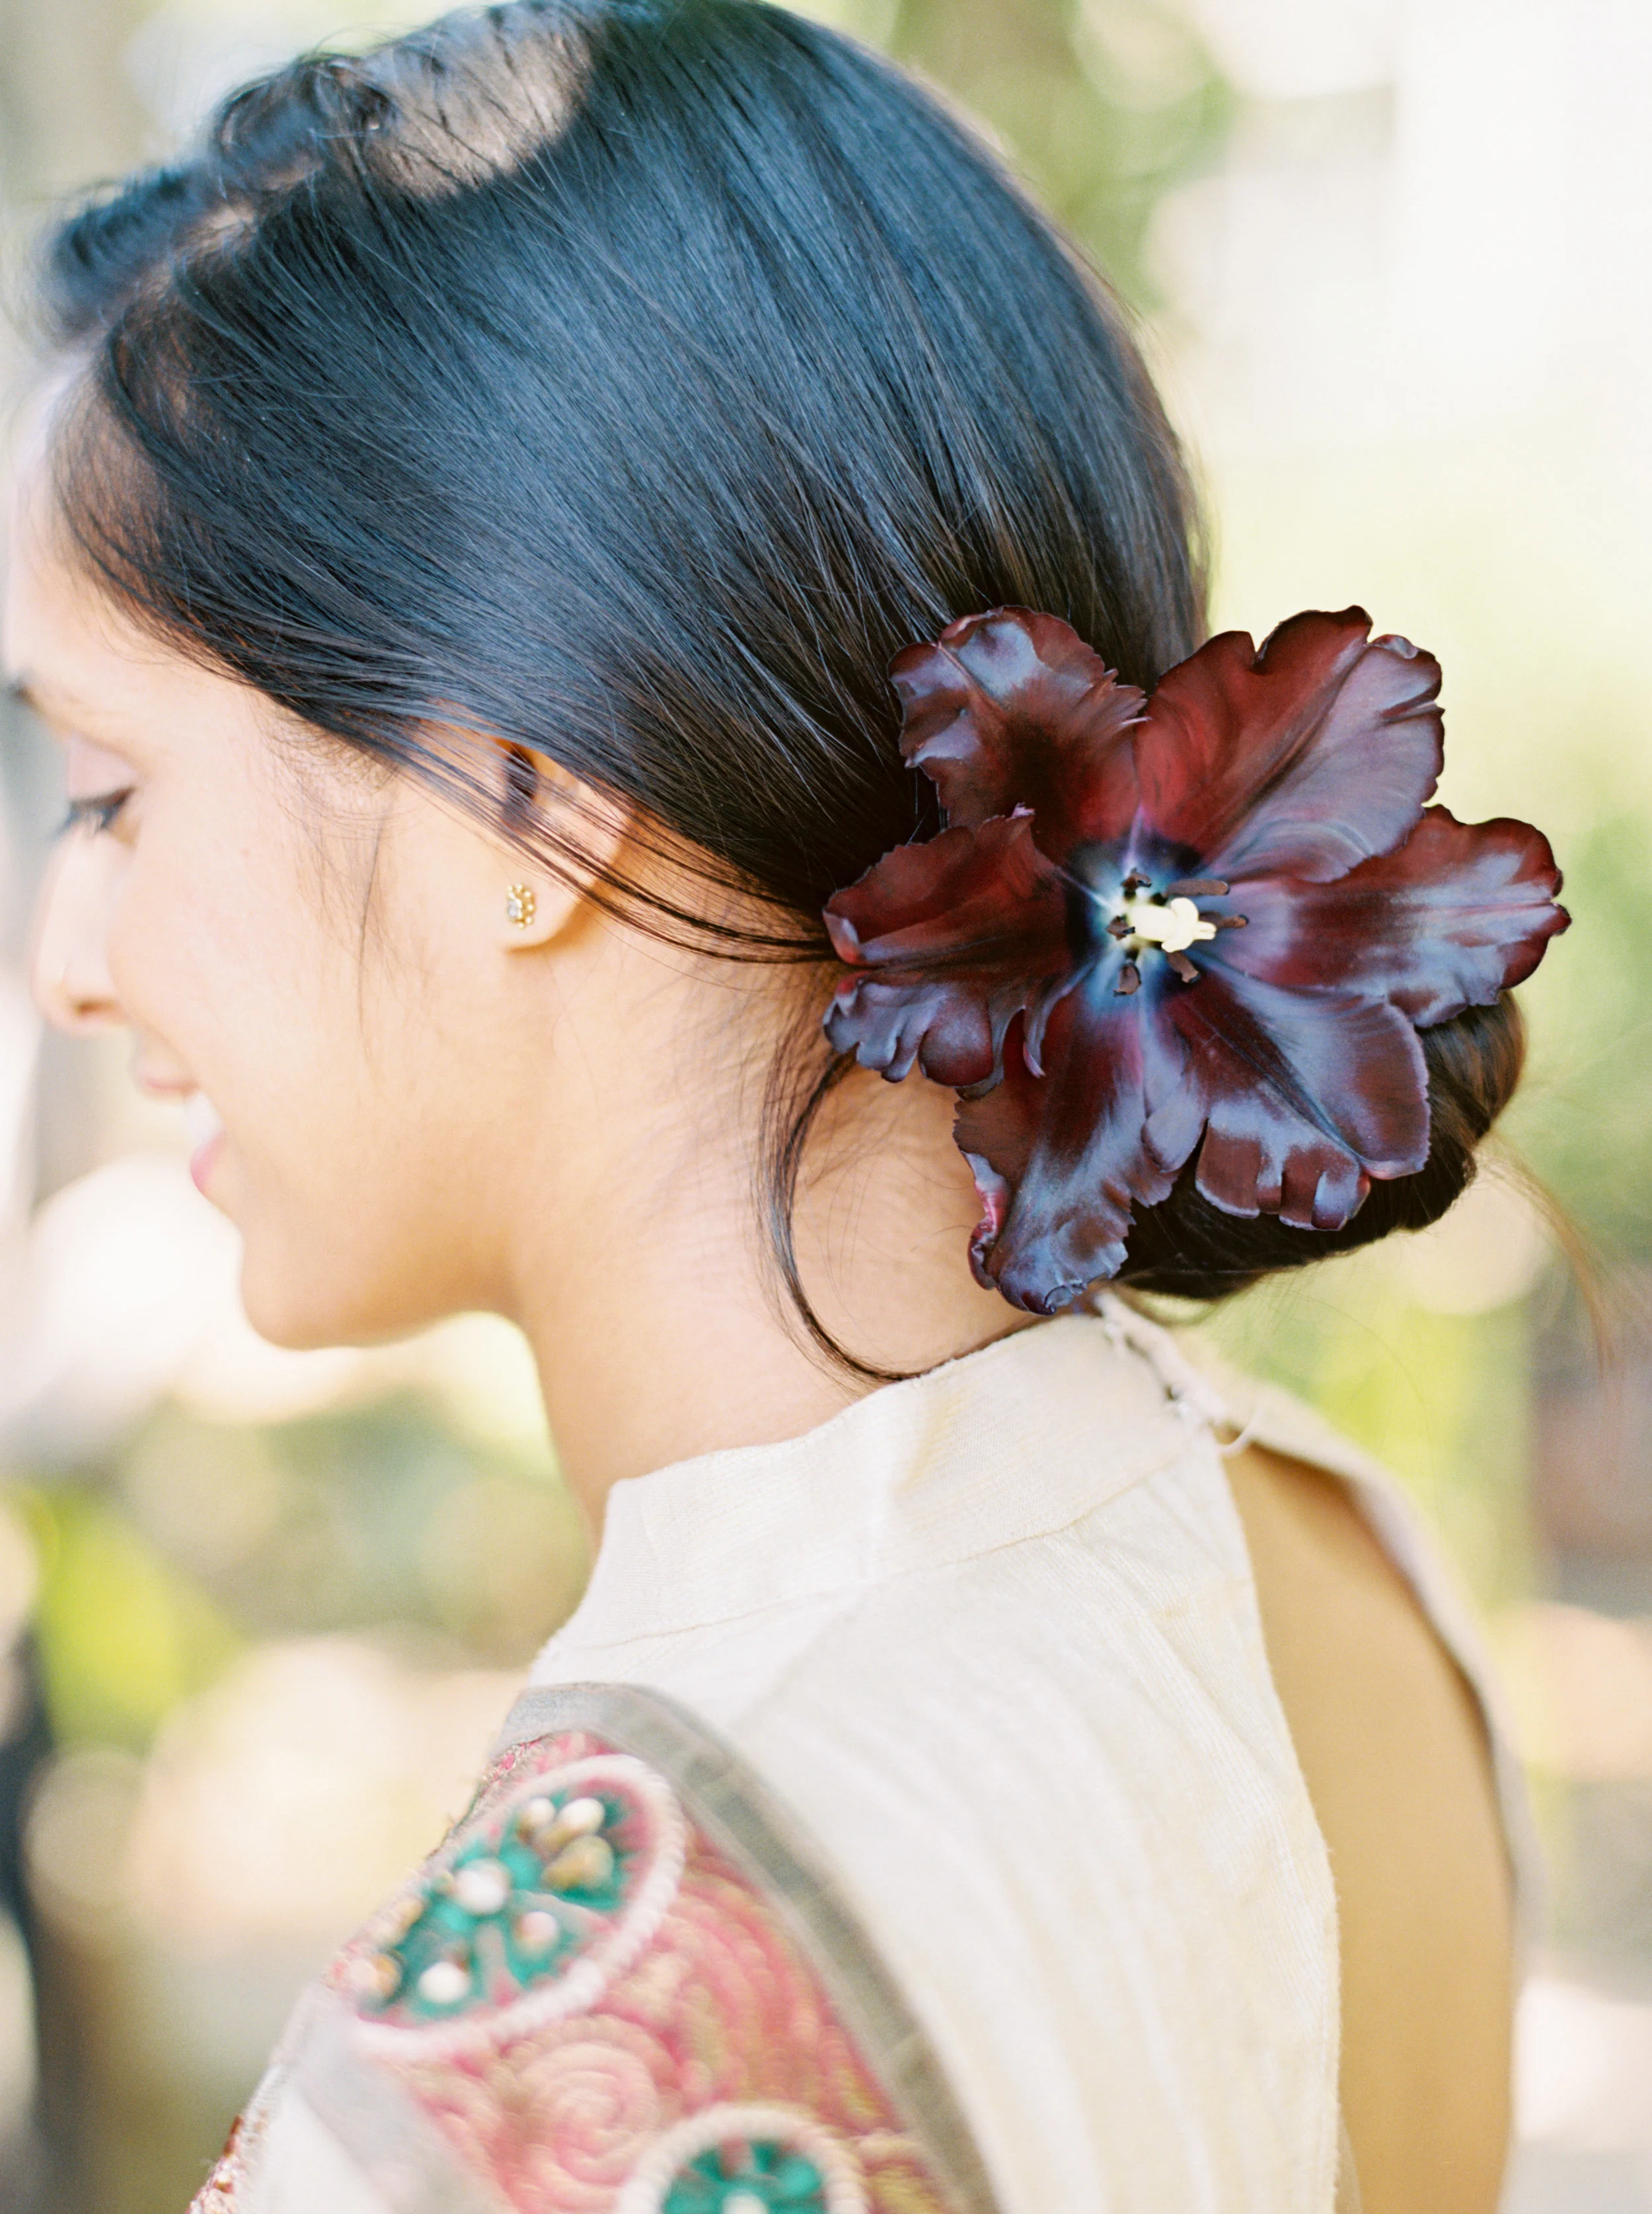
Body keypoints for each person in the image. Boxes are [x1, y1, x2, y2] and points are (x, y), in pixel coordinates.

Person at [7, 4, 1568, 2209]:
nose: (66, 956)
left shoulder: (557, 2047)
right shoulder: (1327, 1556)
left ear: (530, 814)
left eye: (112, 792)